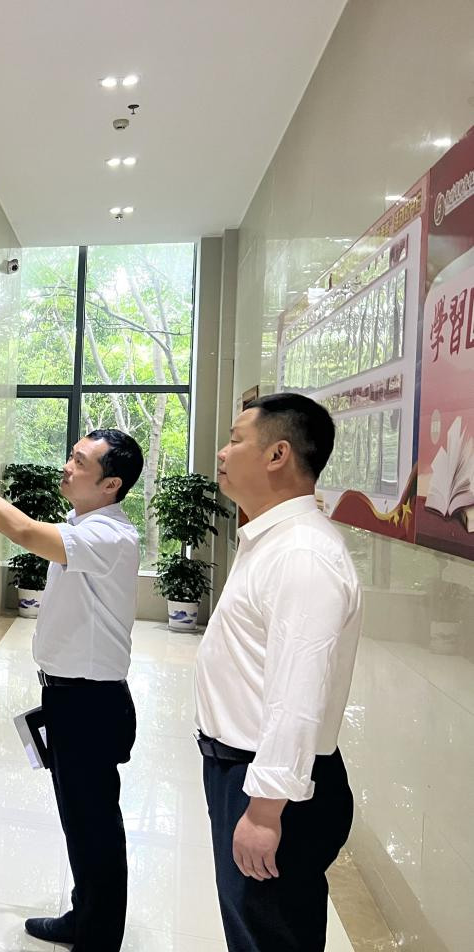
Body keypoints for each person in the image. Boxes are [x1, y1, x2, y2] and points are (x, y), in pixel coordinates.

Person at [0, 429, 144, 951]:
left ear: (111, 484)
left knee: (94, 825)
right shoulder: (82, 523)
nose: (67, 466)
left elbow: (21, 530)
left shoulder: (108, 536)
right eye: (71, 455)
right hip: (70, 698)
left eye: (81, 462)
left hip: (90, 703)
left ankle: (98, 937)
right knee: (80, 821)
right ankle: (84, 916)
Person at [195, 393, 363, 951]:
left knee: (269, 934)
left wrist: (265, 812)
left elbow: (298, 692)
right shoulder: (274, 541)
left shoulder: (302, 555)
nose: (223, 452)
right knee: (254, 929)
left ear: (277, 455)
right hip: (249, 772)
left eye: (236, 439)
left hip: (275, 788)